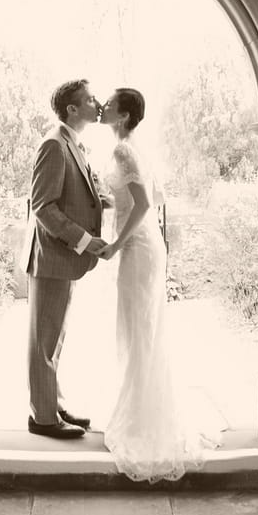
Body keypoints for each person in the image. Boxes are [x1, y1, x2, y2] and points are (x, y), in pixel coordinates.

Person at [98, 87, 221, 481]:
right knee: (142, 329)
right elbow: (156, 194)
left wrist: (117, 242)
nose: (102, 105)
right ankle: (141, 406)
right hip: (148, 245)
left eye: (110, 103)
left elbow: (146, 203)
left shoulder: (123, 150)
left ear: (124, 115)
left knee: (138, 329)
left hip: (137, 247)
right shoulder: (133, 147)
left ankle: (142, 419)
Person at [21, 79, 107, 439]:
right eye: (90, 99)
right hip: (52, 256)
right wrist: (86, 241)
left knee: (54, 338)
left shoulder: (74, 143)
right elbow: (43, 207)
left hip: (62, 259)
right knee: (44, 340)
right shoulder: (54, 145)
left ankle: (51, 404)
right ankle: (42, 419)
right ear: (72, 109)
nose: (97, 102)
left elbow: (84, 193)